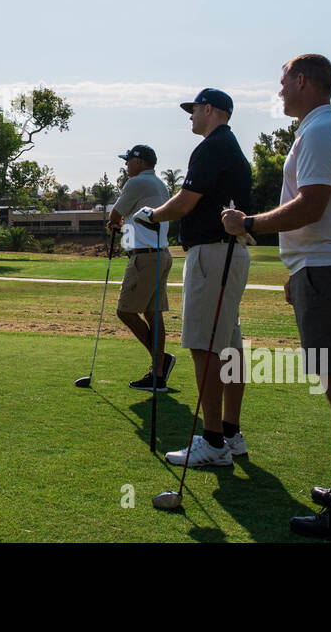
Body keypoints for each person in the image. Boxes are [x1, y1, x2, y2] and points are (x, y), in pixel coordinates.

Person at [222, 54, 331, 540]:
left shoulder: (317, 132)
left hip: (330, 270)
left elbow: (310, 205)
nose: (279, 91)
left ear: (305, 82)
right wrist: (297, 268)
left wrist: (248, 224)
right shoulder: (326, 129)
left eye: (284, 82)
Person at [137, 89, 253, 468]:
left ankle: (214, 440)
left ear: (209, 110)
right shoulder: (231, 146)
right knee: (229, 344)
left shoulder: (210, 148)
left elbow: (185, 201)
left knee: (205, 346)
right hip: (231, 252)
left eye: (193, 111)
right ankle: (231, 434)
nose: (190, 118)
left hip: (211, 254)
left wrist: (152, 216)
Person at [106, 145, 175, 391]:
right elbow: (138, 221)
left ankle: (160, 362)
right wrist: (124, 226)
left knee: (125, 311)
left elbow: (115, 215)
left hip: (145, 258)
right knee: (153, 313)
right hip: (161, 254)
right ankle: (157, 372)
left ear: (140, 161)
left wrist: (115, 223)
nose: (126, 166)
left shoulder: (136, 183)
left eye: (128, 161)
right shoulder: (159, 184)